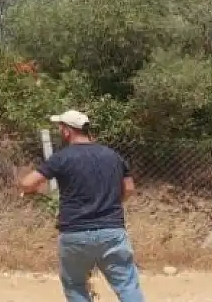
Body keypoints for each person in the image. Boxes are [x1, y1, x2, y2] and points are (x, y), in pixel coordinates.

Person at [18, 110, 145, 302]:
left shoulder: (62, 157)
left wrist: (35, 192)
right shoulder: (112, 156)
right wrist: (110, 203)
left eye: (60, 127)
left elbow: (28, 183)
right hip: (112, 231)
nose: (60, 131)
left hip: (74, 233)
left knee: (75, 285)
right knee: (126, 285)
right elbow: (129, 189)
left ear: (68, 131)